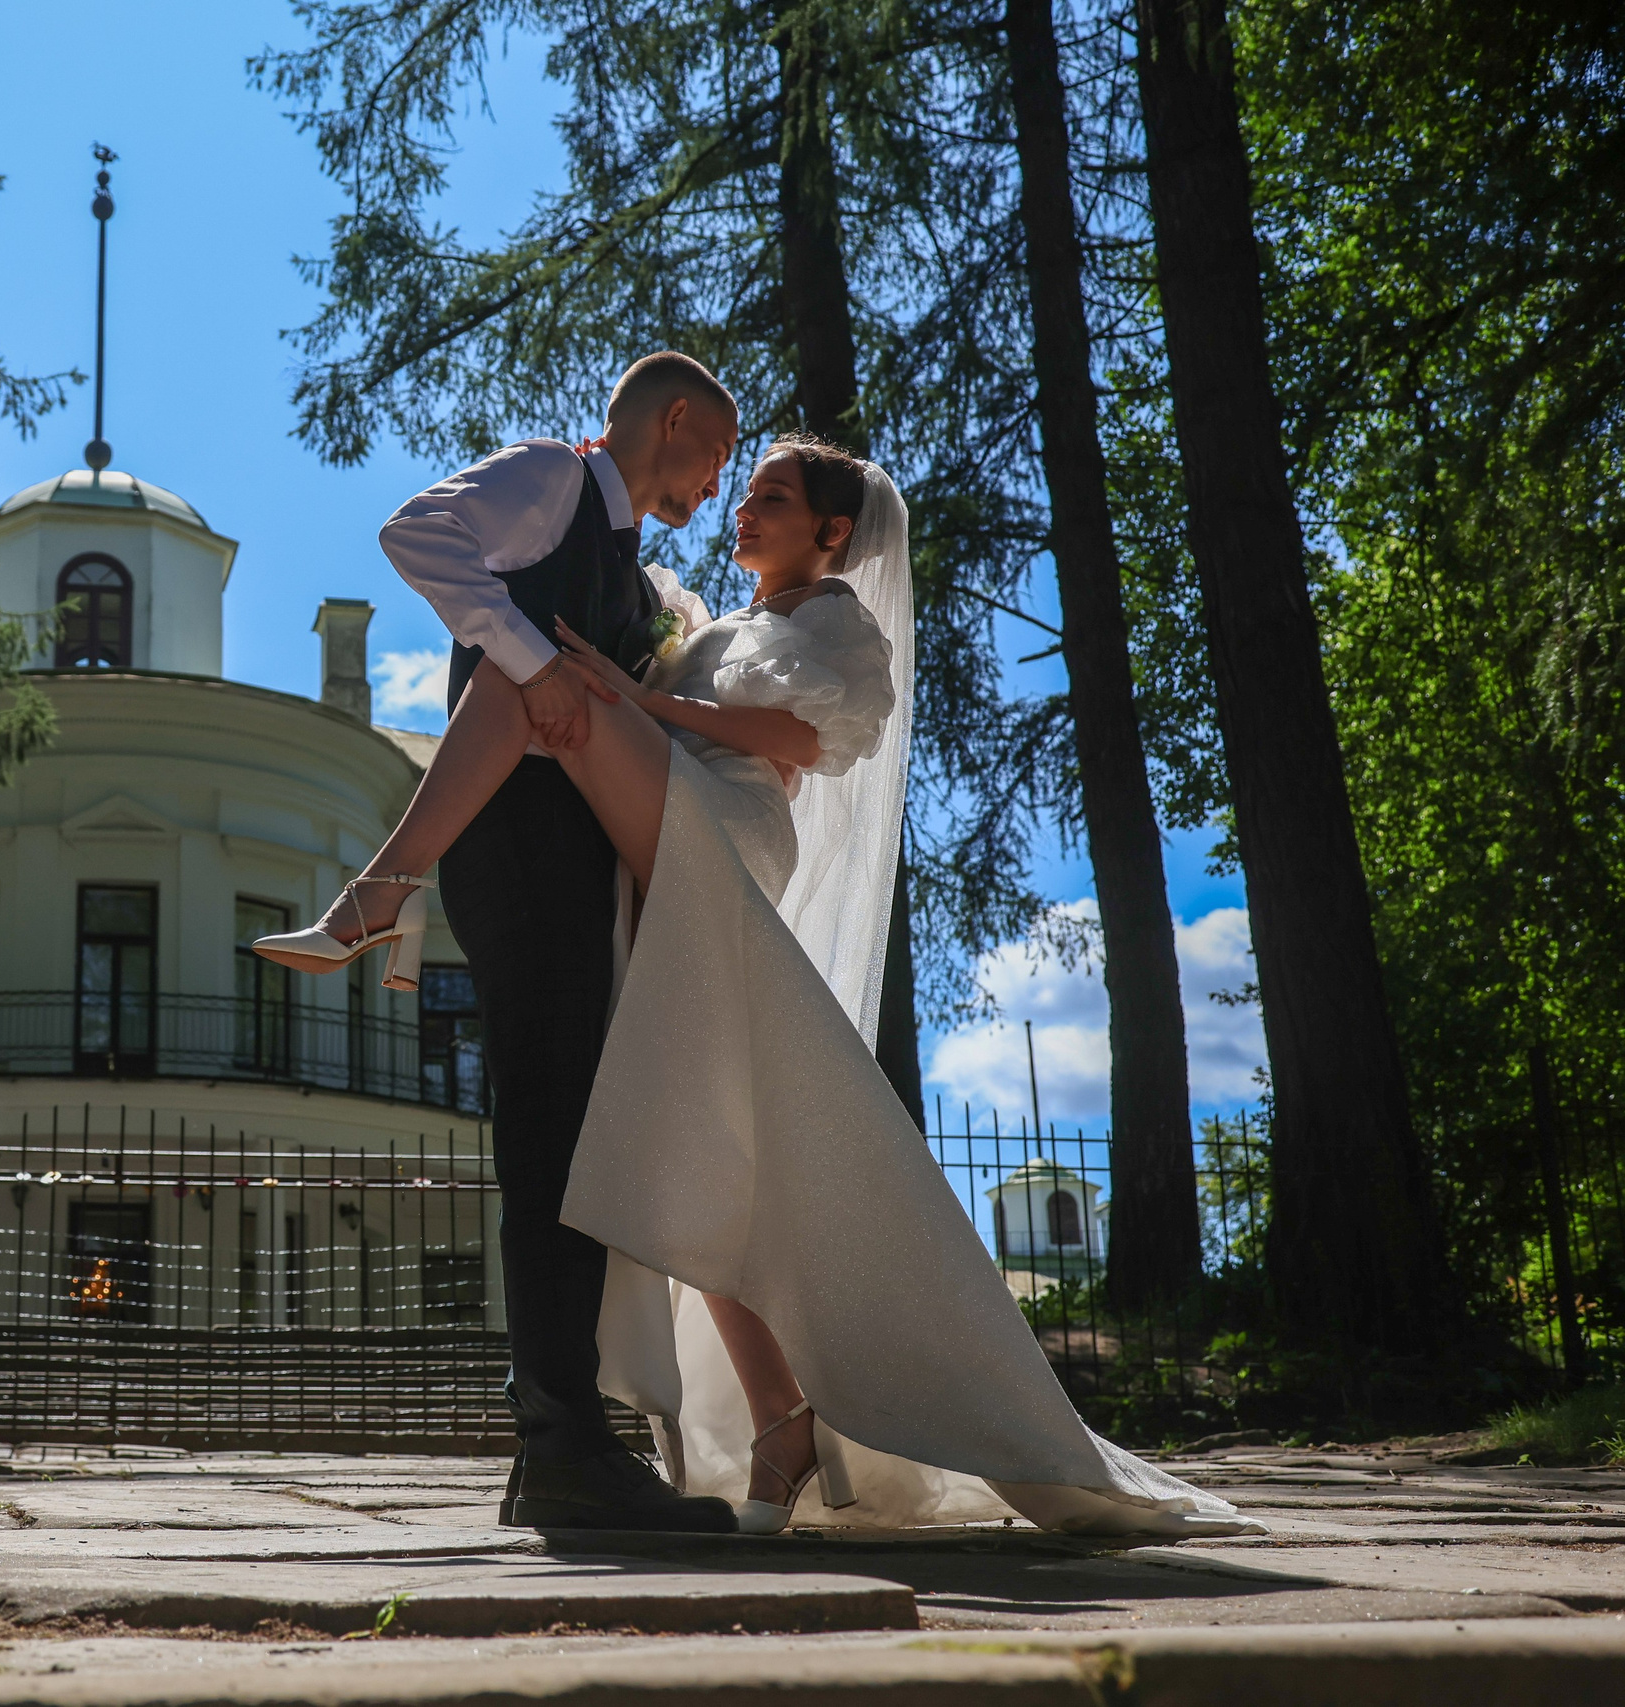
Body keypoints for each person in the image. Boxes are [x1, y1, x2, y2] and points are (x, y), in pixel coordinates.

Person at [265, 418, 1260, 1541]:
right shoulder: (714, 617)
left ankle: (381, 895)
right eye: (748, 494)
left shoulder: (836, 622)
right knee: (711, 1154)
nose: (745, 508)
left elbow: (794, 740)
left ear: (832, 535)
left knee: (515, 681)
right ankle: (782, 1418)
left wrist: (634, 701)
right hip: (663, 826)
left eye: (774, 499)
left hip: (725, 827)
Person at [257, 351, 742, 1533]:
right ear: (671, 421)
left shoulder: (626, 555)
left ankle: (556, 1447)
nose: (715, 489)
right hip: (514, 846)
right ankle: (564, 1445)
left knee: (561, 1131)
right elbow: (413, 533)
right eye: (714, 458)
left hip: (557, 852)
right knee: (551, 1135)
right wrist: (527, 662)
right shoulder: (552, 476)